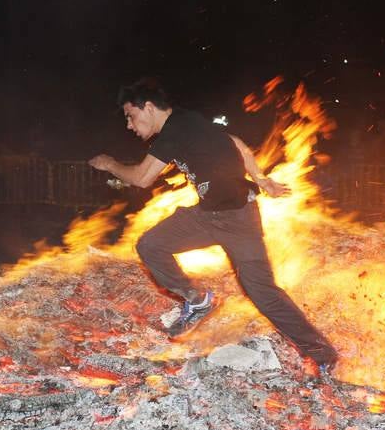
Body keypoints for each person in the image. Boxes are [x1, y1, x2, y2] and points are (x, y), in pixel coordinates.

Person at [89, 79, 338, 373]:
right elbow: (236, 143)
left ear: (149, 107)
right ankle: (198, 300)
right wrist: (260, 178)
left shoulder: (175, 130)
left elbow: (142, 178)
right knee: (151, 245)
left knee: (262, 292)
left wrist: (109, 164)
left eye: (130, 116)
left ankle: (322, 355)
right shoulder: (190, 122)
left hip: (238, 220)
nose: (129, 125)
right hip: (209, 216)